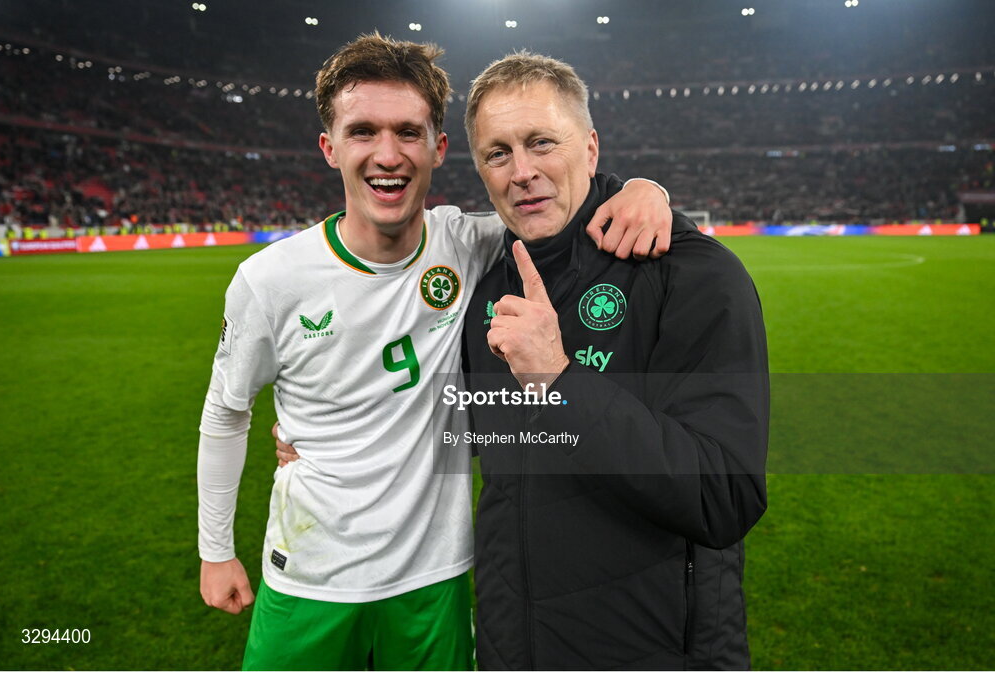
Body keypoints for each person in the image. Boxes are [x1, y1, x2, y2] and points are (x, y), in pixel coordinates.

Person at [197, 34, 674, 670]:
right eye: (362, 131)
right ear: (329, 146)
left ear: (439, 148)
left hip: (436, 578)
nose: (387, 155)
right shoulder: (270, 280)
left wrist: (644, 187)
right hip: (309, 574)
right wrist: (215, 548)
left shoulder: (470, 243)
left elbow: (555, 199)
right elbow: (227, 412)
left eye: (409, 132)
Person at [458, 53, 771, 669]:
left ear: (592, 148)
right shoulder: (486, 288)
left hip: (652, 650)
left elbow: (724, 497)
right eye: (498, 153)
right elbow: (478, 440)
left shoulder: (692, 273)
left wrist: (560, 381)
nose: (522, 171)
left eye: (542, 142)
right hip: (511, 646)